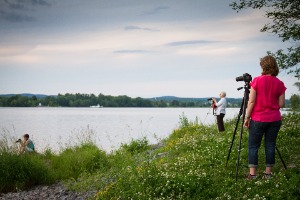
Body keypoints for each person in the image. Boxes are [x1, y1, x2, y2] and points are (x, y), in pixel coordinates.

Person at [244, 55, 286, 180]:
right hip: (274, 119)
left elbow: (251, 102)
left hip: (258, 119)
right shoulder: (280, 83)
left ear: (263, 66)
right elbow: (281, 104)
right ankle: (267, 174)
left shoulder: (257, 81)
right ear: (274, 66)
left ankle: (252, 174)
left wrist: (247, 118)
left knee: (253, 146)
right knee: (270, 145)